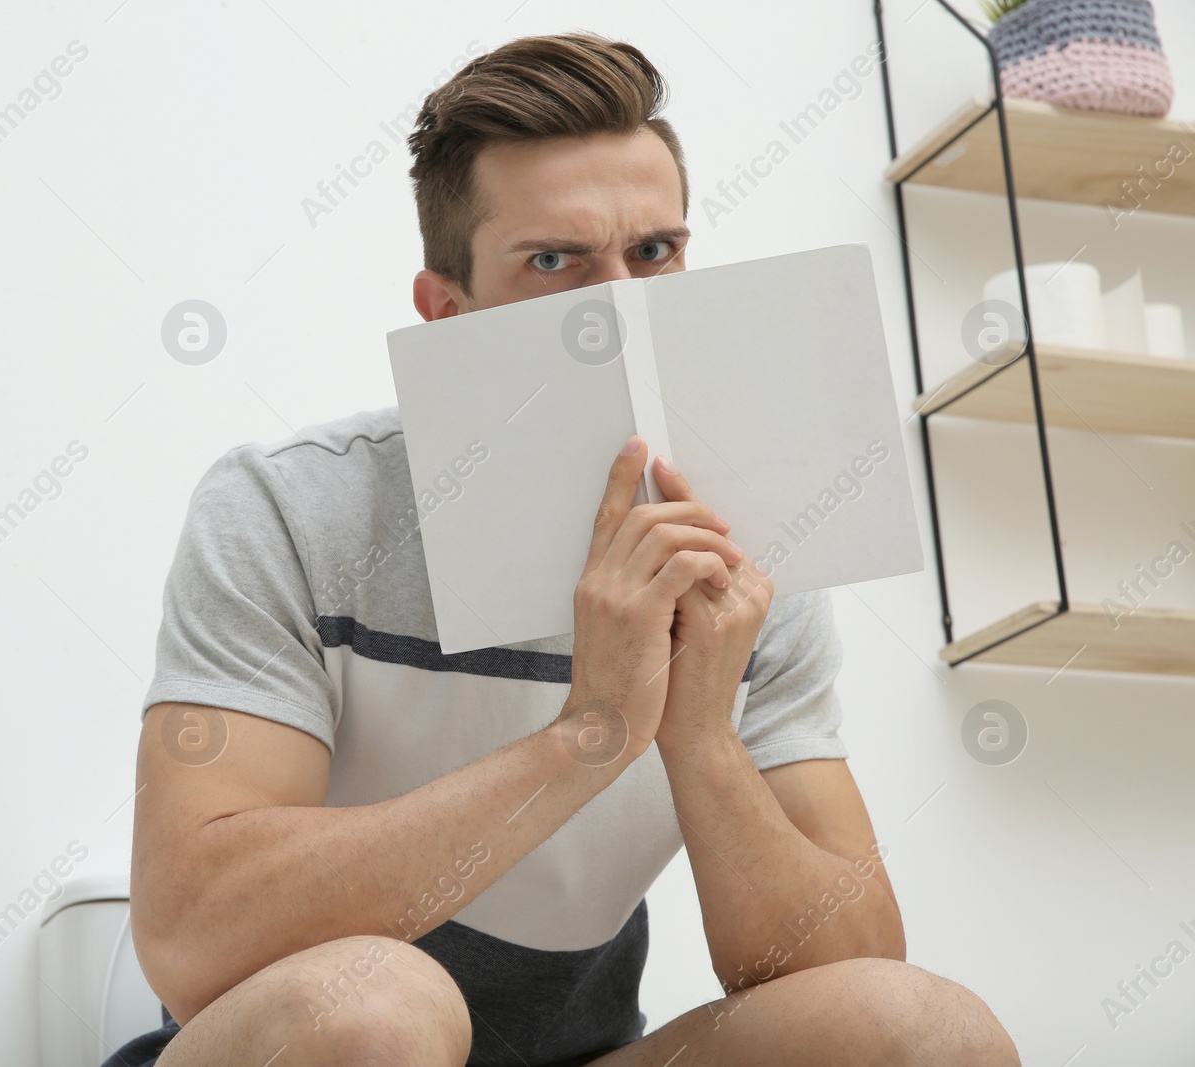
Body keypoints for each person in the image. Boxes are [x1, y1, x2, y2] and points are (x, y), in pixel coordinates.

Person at [110, 31, 1019, 1067]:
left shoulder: (745, 542)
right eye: (554, 262)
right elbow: (191, 935)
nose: (617, 309)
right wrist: (585, 735)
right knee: (377, 1008)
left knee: (926, 1032)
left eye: (654, 253)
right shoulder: (289, 507)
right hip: (316, 1039)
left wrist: (698, 732)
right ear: (445, 311)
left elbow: (852, 964)